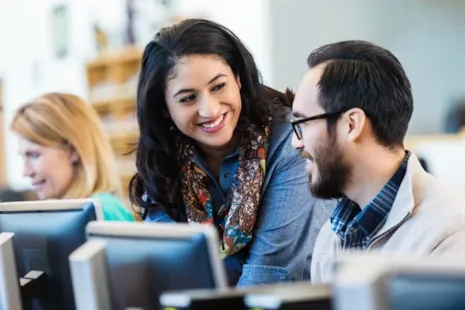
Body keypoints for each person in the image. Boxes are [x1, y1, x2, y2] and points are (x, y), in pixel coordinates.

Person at [129, 19, 332, 287]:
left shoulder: (291, 143)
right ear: (164, 107)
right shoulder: (162, 160)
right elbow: (168, 274)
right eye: (188, 98)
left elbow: (268, 276)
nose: (210, 110)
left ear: (237, 77)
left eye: (218, 87)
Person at [290, 40, 465, 284]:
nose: (295, 143)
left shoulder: (448, 236)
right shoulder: (332, 235)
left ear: (352, 125)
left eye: (303, 123)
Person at [11, 92, 135, 222]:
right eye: (23, 158)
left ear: (73, 151)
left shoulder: (102, 212)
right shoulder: (70, 213)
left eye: (34, 155)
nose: (26, 172)